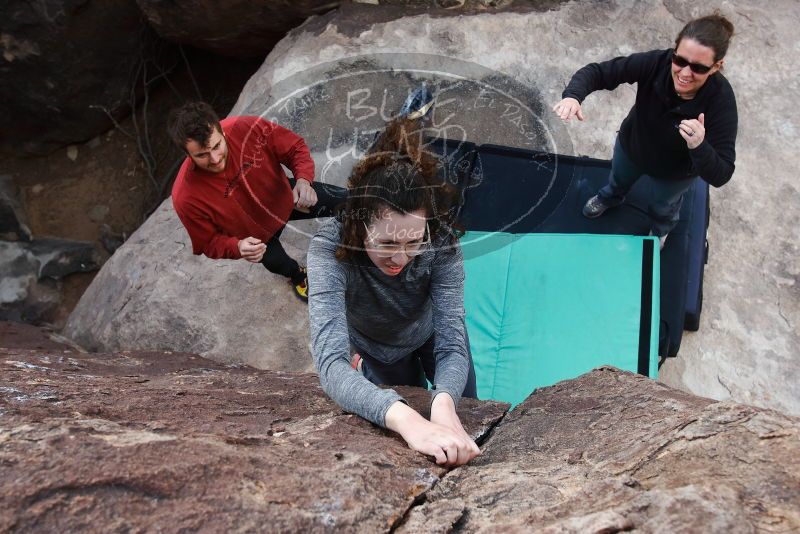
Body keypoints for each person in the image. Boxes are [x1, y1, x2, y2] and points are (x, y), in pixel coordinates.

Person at [307, 117, 480, 467]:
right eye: (386, 242)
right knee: (405, 421)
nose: (400, 257)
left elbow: (452, 343)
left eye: (413, 241)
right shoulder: (328, 248)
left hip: (431, 335)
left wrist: (444, 405)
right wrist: (408, 421)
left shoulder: (442, 242)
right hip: (377, 347)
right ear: (359, 226)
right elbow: (330, 363)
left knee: (463, 416)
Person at [553, 13, 738, 248]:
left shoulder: (721, 101)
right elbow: (598, 72)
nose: (684, 73)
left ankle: (661, 230)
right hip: (633, 146)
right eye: (680, 60)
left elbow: (722, 173)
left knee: (665, 205)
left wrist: (699, 146)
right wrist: (573, 96)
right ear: (674, 51)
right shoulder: (655, 63)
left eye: (699, 67)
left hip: (674, 173)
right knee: (617, 180)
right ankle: (610, 197)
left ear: (716, 66)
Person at [168, 102, 345, 301]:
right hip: (256, 236)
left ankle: (360, 236)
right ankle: (298, 275)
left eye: (217, 146)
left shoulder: (246, 128)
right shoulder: (186, 197)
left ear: (223, 132)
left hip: (288, 197)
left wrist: (304, 180)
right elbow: (208, 242)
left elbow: (294, 148)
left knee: (349, 201)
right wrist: (238, 247)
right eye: (202, 155)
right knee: (277, 263)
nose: (215, 159)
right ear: (188, 155)